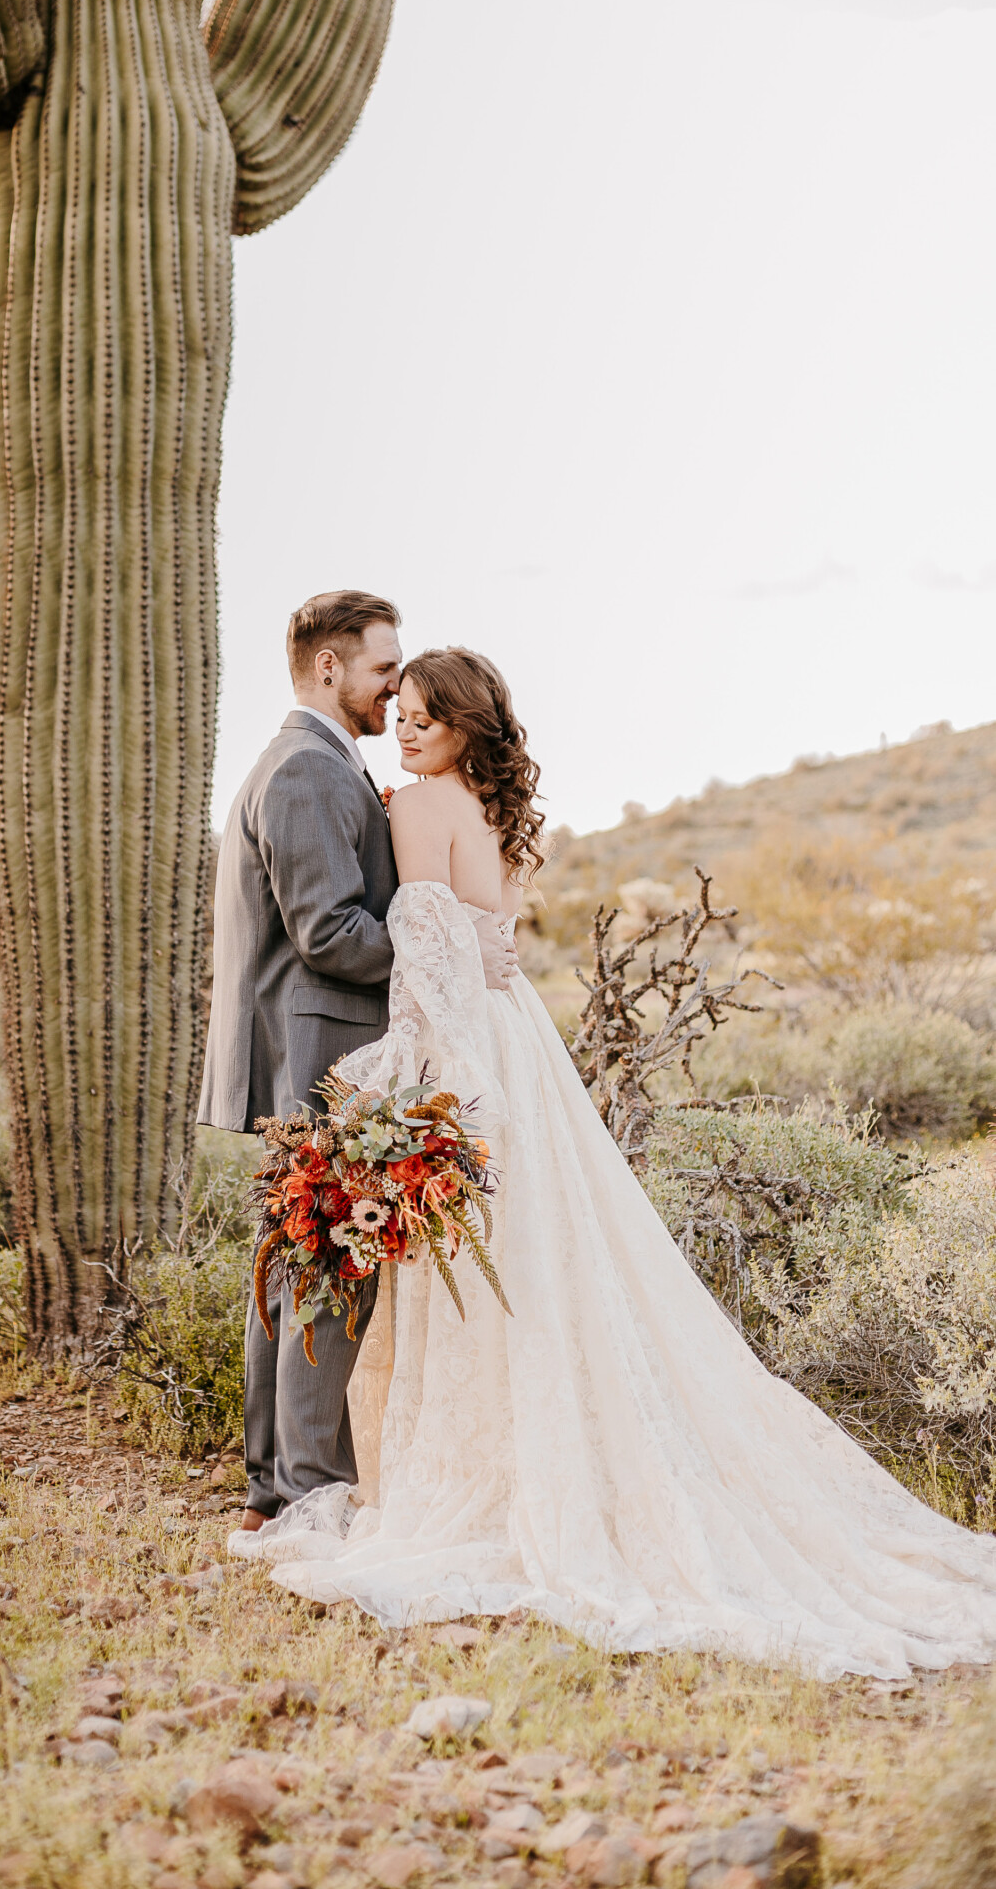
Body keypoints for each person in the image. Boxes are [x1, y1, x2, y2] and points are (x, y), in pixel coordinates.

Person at [231, 646, 996, 1680]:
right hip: (519, 1051)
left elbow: (425, 975)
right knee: (539, 1277)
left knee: (484, 1293)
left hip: (464, 1059)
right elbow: (481, 947)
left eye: (423, 715)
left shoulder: (415, 807)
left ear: (462, 726)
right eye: (398, 711)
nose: (404, 729)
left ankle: (491, 1481)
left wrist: (391, 1083)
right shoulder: (486, 809)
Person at [199, 597, 518, 1540]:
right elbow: (329, 933)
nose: (397, 686)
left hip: (316, 1048)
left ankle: (277, 1486)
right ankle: (304, 1490)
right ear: (331, 667)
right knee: (327, 1270)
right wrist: (456, 952)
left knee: (298, 1264)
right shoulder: (303, 768)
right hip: (317, 1051)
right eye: (386, 670)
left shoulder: (329, 764)